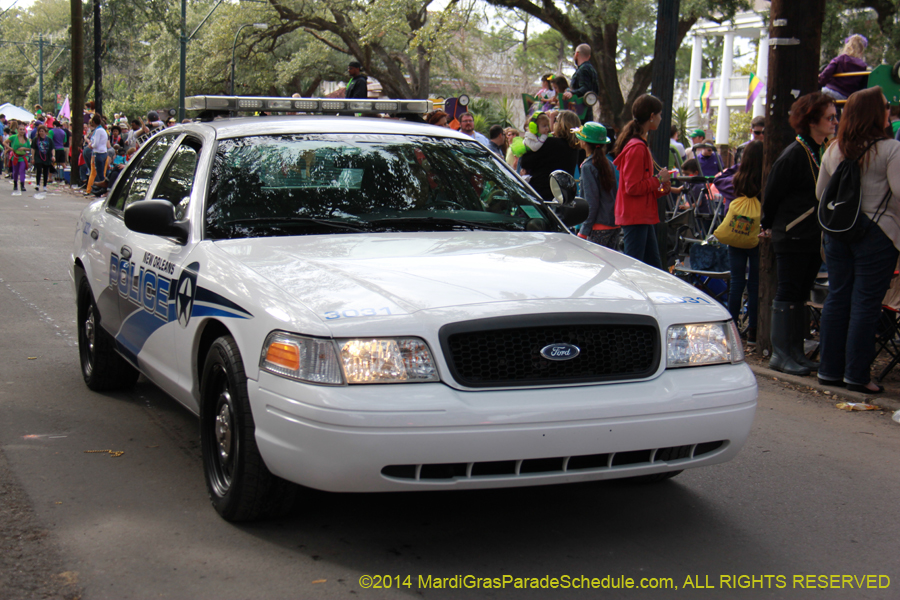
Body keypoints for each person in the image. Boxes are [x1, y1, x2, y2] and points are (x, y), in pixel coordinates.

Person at [815, 87, 900, 393]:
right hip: (878, 233)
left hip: (838, 232)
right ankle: (857, 375)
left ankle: (829, 370)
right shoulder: (890, 149)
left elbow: (820, 194)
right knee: (866, 302)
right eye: (886, 106)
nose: (889, 110)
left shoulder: (835, 148)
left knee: (838, 298)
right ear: (877, 113)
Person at [760, 91, 836, 376]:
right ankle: (780, 354)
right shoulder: (793, 153)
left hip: (812, 235)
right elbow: (772, 194)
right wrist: (768, 224)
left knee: (801, 292)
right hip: (791, 233)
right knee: (789, 290)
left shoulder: (822, 150)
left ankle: (795, 351)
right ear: (812, 119)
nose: (834, 121)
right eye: (829, 117)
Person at [612, 94, 671, 269]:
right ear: (651, 116)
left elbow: (639, 187)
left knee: (652, 268)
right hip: (636, 216)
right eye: (659, 114)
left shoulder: (638, 145)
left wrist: (662, 189)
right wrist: (659, 179)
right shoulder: (637, 148)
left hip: (640, 216)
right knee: (635, 268)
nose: (661, 118)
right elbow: (632, 187)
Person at [723, 140, 763, 345]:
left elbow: (720, 178)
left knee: (737, 282)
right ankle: (754, 330)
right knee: (755, 283)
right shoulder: (763, 180)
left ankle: (732, 329)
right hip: (756, 234)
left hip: (737, 232)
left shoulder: (737, 179)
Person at [519, 110, 582, 201]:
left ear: (561, 125)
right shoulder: (574, 148)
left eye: (556, 120)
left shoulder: (551, 143)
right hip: (562, 195)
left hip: (542, 194)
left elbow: (525, 162)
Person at [575, 122, 619, 249]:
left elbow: (591, 202)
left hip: (597, 226)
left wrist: (583, 231)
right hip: (613, 224)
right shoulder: (608, 163)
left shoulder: (588, 166)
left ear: (584, 142)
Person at [819, 34, 868, 101]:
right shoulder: (863, 67)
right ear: (861, 51)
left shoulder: (840, 59)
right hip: (847, 97)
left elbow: (825, 75)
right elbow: (862, 85)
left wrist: (819, 81)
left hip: (831, 91)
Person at [564, 44, 599, 123]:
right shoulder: (592, 69)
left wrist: (572, 93)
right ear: (589, 56)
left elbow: (586, 88)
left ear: (577, 54)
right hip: (587, 111)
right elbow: (596, 91)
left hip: (579, 111)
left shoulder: (583, 69)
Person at [4, 122, 30, 192]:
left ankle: (22, 185)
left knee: (22, 171)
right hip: (15, 157)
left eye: (23, 130)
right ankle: (15, 185)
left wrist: (23, 148)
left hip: (23, 157)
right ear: (17, 130)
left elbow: (29, 148)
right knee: (15, 172)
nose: (22, 131)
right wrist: (9, 148)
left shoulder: (26, 139)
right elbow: (4, 142)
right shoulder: (13, 137)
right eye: (20, 129)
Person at [32, 125, 54, 192]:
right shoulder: (35, 139)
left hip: (47, 157)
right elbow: (33, 149)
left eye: (42, 131)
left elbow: (52, 148)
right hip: (38, 157)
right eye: (40, 131)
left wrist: (53, 156)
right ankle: (37, 184)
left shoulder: (49, 139)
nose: (41, 132)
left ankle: (44, 185)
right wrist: (33, 158)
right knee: (38, 171)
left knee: (45, 171)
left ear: (45, 131)